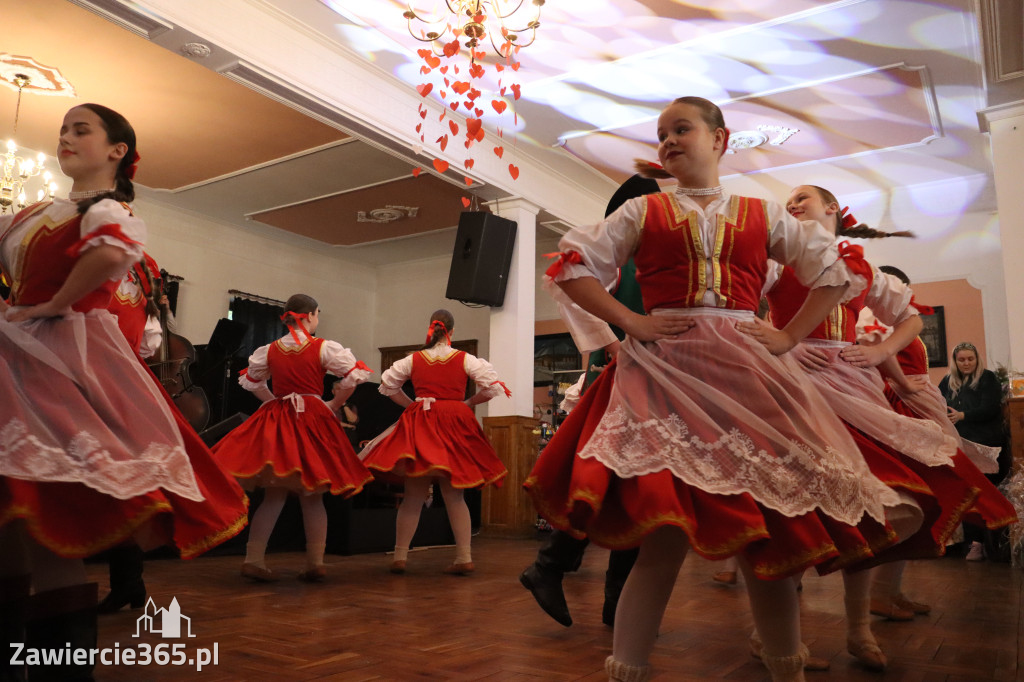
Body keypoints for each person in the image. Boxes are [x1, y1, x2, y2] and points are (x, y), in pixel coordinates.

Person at [525, 96, 910, 682]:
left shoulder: (763, 214)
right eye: (661, 134)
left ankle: (788, 670)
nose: (669, 141)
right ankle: (626, 669)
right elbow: (572, 267)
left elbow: (837, 272)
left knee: (769, 537)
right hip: (665, 374)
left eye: (682, 129)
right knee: (662, 540)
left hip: (747, 376)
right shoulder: (642, 213)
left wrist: (787, 336)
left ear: (720, 140)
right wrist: (631, 323)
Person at [0, 103, 248, 681]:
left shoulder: (107, 210)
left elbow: (112, 253)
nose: (65, 137)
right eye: (62, 130)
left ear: (117, 150)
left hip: (60, 366)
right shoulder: (26, 215)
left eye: (80, 129)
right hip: (17, 362)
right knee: (13, 523)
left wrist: (54, 305)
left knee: (49, 530)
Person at [764, 184, 1014, 670]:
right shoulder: (776, 261)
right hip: (795, 382)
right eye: (788, 201)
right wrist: (776, 342)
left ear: (833, 209)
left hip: (850, 383)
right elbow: (739, 303)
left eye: (803, 198)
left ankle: (858, 629)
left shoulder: (860, 266)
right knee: (797, 508)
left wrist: (880, 352)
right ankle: (775, 636)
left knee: (868, 510)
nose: (792, 204)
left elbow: (910, 319)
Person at [520, 174, 659, 629]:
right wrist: (614, 343)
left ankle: (571, 576)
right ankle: (571, 576)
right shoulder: (617, 257)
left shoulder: (659, 260)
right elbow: (565, 285)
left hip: (657, 385)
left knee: (630, 489)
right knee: (617, 483)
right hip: (624, 382)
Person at [212, 294, 372, 582]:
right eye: (318, 315)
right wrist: (333, 405)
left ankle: (254, 558)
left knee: (274, 496)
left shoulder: (270, 349)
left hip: (281, 418)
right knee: (313, 497)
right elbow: (353, 377)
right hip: (312, 417)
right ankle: (315, 562)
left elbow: (253, 382)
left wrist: (274, 401)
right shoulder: (323, 348)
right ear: (310, 315)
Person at [361, 309, 508, 575]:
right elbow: (492, 388)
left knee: (413, 496)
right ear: (451, 332)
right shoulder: (465, 359)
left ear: (431, 329)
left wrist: (411, 406)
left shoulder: (413, 359)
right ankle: (463, 557)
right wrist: (467, 403)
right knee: (454, 496)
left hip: (423, 422)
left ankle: (400, 556)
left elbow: (388, 386)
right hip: (455, 422)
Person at [938, 341, 1013, 560]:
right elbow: (939, 404)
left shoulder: (987, 378)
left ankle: (984, 544)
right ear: (955, 361)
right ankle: (966, 542)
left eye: (970, 359)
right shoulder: (947, 381)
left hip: (986, 445)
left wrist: (963, 415)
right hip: (960, 444)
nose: (966, 363)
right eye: (961, 360)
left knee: (984, 494)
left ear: (977, 359)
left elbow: (990, 408)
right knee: (965, 493)